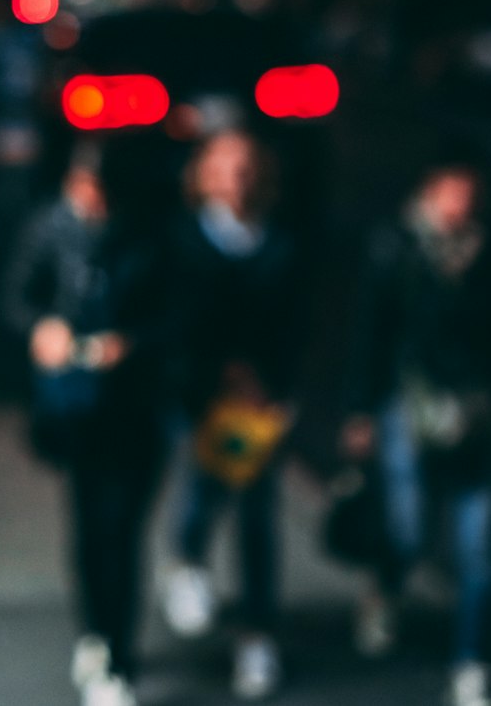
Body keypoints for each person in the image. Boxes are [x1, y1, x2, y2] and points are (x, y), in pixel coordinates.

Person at [4, 139, 169, 706]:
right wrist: (41, 330)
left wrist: (133, 344)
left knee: (123, 530)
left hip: (135, 405)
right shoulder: (49, 229)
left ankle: (117, 648)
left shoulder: (151, 237)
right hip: (76, 405)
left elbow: (176, 317)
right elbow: (17, 297)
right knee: (90, 528)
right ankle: (96, 634)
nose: (89, 202)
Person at [341, 158, 491, 706]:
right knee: (409, 528)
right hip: (409, 407)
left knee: (478, 546)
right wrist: (361, 409)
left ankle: (470, 662)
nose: (459, 205)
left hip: (480, 416)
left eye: (469, 194)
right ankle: (385, 586)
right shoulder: (397, 249)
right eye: (450, 193)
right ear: (428, 192)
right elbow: (371, 331)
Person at [161, 129, 302, 701]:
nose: (236, 178)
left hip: (259, 405)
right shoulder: (182, 241)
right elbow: (174, 322)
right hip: (200, 398)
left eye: (245, 166)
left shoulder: (282, 244)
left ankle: (257, 632)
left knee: (257, 516)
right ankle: (186, 559)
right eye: (224, 166)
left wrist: (277, 389)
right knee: (203, 487)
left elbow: (296, 326)